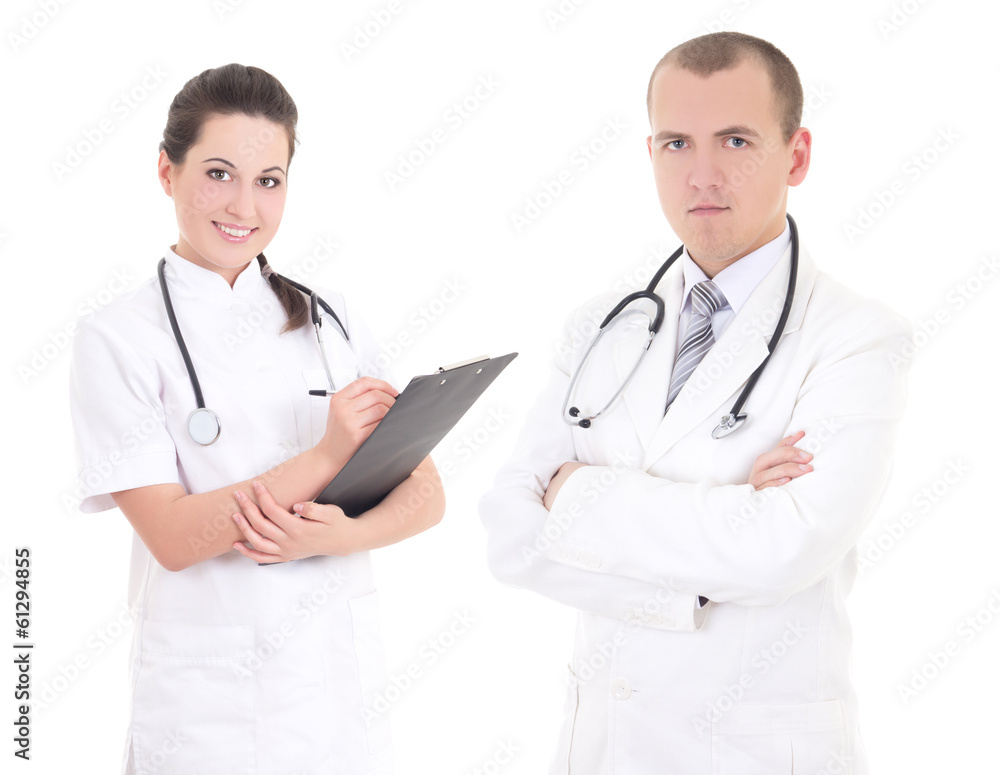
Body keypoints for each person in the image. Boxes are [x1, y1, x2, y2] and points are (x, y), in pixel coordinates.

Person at [480, 31, 911, 774]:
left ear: (796, 156)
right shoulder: (602, 325)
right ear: (650, 154)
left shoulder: (858, 337)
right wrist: (727, 523)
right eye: (677, 143)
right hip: (604, 747)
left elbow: (783, 548)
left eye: (736, 141)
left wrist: (576, 494)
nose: (702, 175)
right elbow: (510, 535)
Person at [69, 63, 444, 775]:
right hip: (209, 710)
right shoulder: (118, 338)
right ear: (166, 171)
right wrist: (326, 456)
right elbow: (171, 536)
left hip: (335, 692)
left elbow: (426, 492)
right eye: (219, 174)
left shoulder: (331, 319)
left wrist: (344, 534)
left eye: (269, 180)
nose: (244, 205)